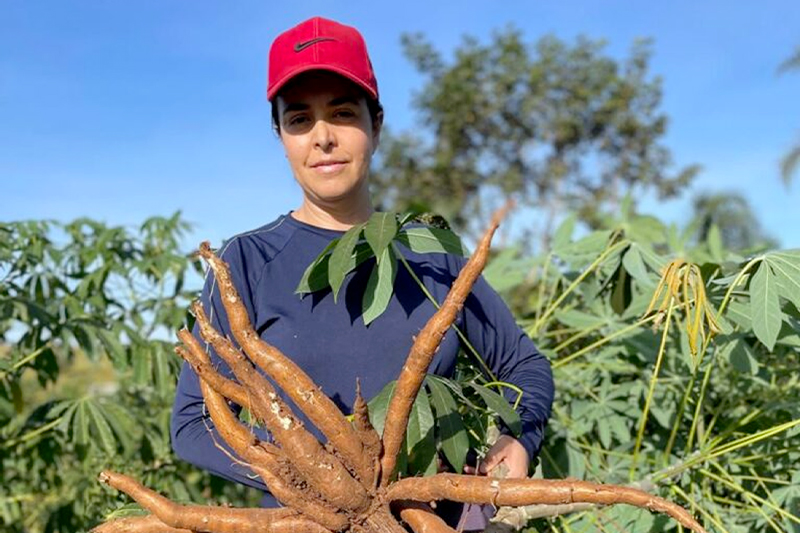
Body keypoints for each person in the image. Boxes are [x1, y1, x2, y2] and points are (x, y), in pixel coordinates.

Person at [170, 16, 555, 531]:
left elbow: (525, 366)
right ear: (281, 136)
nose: (322, 138)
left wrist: (518, 438)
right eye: (299, 119)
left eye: (343, 113)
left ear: (376, 124)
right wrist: (312, 477)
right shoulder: (247, 262)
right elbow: (192, 423)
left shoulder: (431, 257)